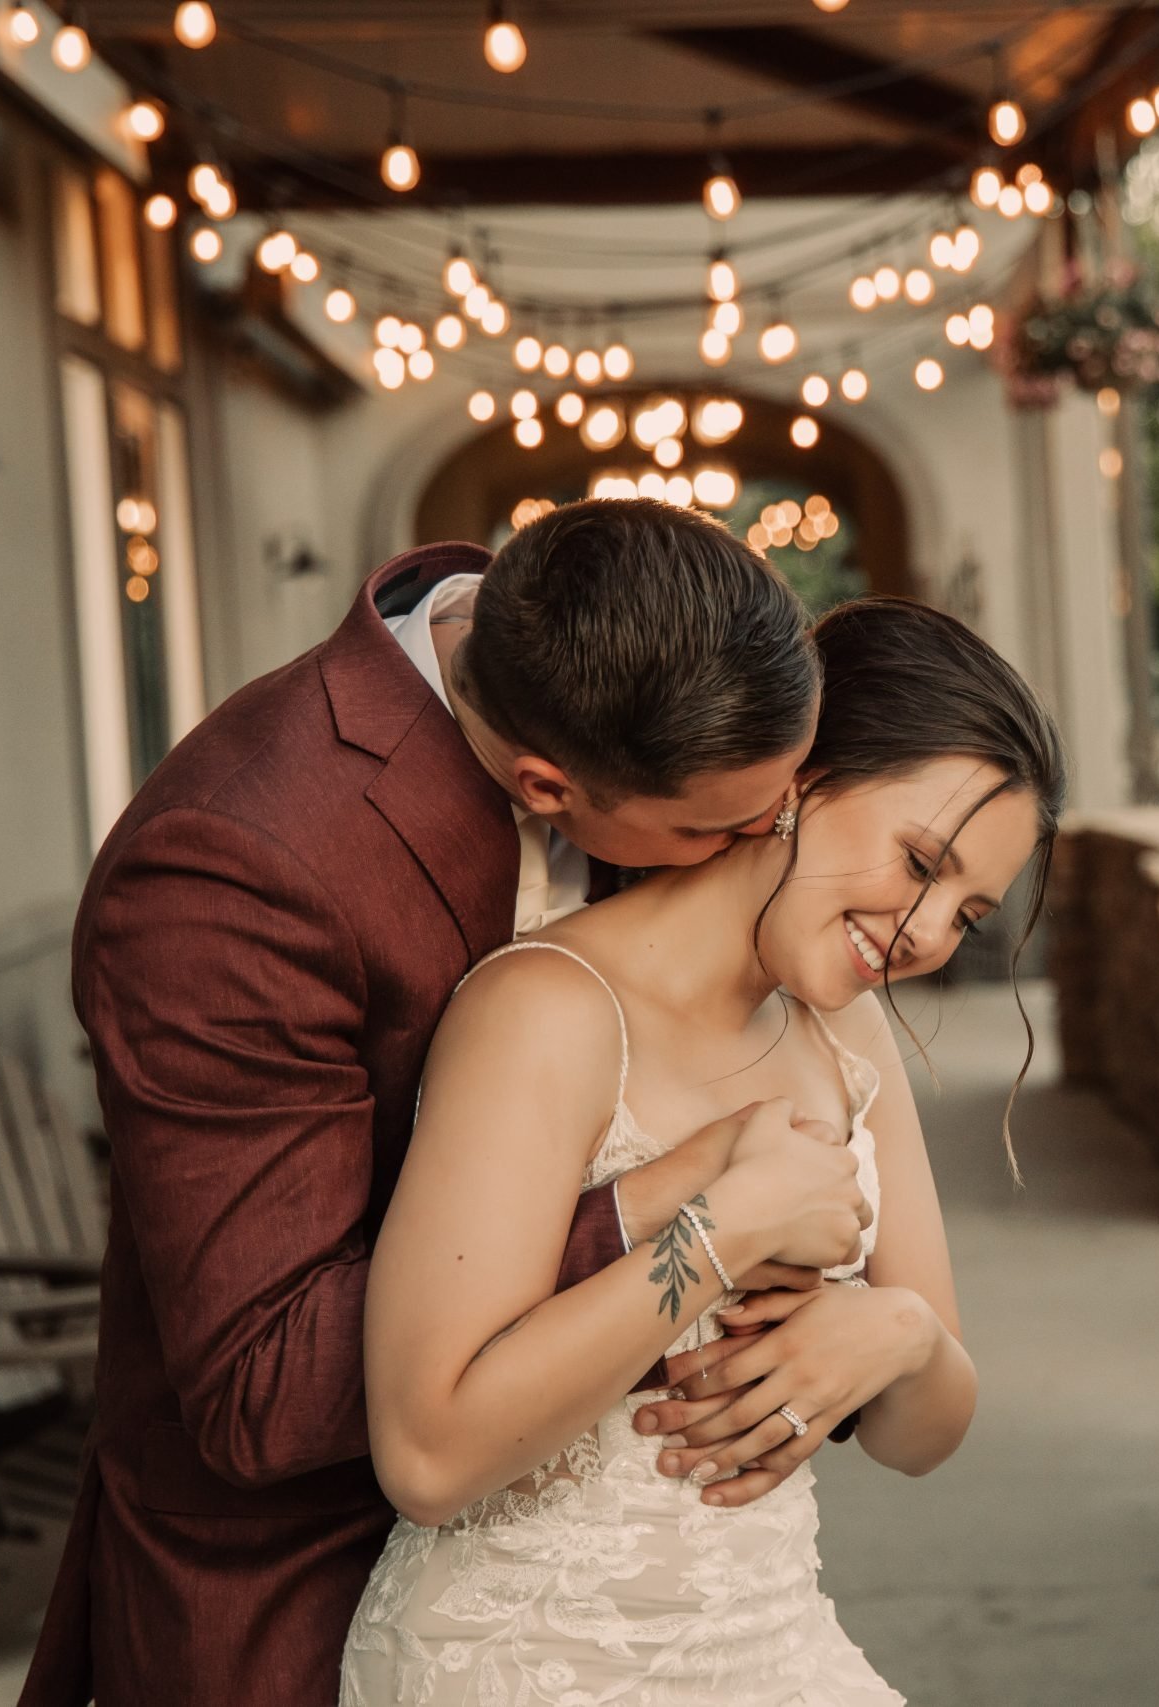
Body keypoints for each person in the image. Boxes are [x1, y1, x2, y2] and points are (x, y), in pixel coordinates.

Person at [22, 502, 903, 1707]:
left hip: (660, 1601)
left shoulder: (615, 673)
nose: (771, 844)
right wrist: (681, 1203)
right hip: (319, 1599)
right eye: (722, 829)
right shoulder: (234, 861)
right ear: (547, 785)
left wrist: (879, 1328)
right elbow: (261, 1384)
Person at [339, 596, 1066, 1705]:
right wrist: (725, 1233)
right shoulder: (549, 1008)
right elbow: (429, 1453)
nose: (926, 931)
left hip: (771, 1649)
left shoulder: (845, 1035)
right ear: (798, 781)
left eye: (967, 915)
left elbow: (921, 1436)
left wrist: (903, 1334)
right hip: (523, 1659)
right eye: (922, 861)